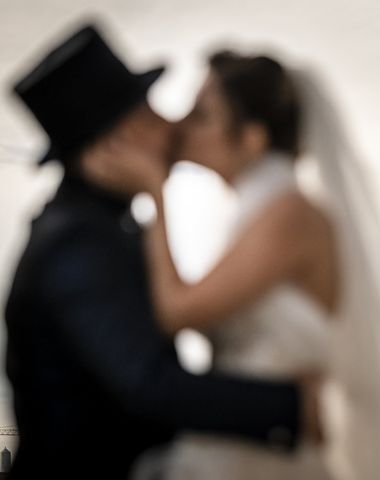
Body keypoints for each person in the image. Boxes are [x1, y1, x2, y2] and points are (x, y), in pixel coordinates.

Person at [84, 49, 380, 480]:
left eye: (201, 114)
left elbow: (177, 311)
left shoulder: (288, 215)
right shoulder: (262, 211)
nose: (180, 123)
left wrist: (156, 193)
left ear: (251, 138)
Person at [4, 25, 319, 480]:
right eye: (148, 115)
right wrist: (294, 406)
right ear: (113, 143)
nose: (169, 125)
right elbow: (148, 385)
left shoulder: (97, 227)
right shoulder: (78, 241)